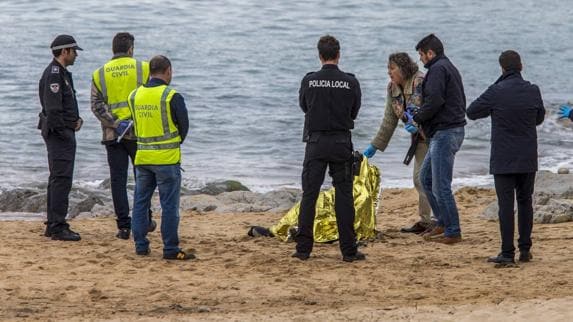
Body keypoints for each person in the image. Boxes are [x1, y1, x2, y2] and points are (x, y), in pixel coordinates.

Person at [467, 50, 545, 265]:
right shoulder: (533, 90)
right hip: (527, 156)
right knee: (525, 201)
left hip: (503, 158)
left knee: (506, 205)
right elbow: (539, 118)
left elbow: (472, 111)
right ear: (521, 66)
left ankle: (507, 253)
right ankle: (525, 250)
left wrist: (497, 88)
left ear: (502, 68)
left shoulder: (496, 91)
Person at [293, 35, 364, 262]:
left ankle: (303, 249)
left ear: (319, 55)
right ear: (338, 54)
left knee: (310, 195)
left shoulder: (310, 80)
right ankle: (349, 251)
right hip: (341, 142)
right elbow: (354, 112)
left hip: (316, 143)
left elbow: (304, 106)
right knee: (344, 196)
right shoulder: (350, 82)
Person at [91, 32, 156, 240]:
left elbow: (96, 106)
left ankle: (124, 226)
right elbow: (152, 97)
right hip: (139, 133)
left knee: (118, 180)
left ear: (113, 49)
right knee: (143, 178)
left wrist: (116, 124)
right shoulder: (143, 68)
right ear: (131, 49)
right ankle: (144, 220)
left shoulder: (99, 74)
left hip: (113, 135)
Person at [127, 55, 192, 260]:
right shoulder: (171, 95)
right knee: (169, 206)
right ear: (168, 71)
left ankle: (140, 245)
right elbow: (184, 127)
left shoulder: (134, 95)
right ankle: (170, 249)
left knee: (140, 203)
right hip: (167, 158)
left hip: (143, 157)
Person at [363, 52, 434, 234]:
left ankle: (432, 221)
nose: (389, 72)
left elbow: (429, 108)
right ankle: (427, 221)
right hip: (418, 140)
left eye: (392, 68)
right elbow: (389, 120)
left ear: (403, 68)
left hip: (434, 137)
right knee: (420, 179)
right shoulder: (392, 89)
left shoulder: (420, 81)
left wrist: (417, 124)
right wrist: (375, 146)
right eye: (388, 68)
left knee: (423, 179)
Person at [412, 34, 466, 244]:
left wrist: (418, 116)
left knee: (440, 184)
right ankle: (442, 222)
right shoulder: (445, 67)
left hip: (446, 132)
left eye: (421, 55)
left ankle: (453, 230)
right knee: (426, 179)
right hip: (444, 132)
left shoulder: (437, 69)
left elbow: (435, 101)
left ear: (430, 53)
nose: (420, 59)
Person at [37, 35, 83, 241]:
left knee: (58, 178)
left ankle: (53, 223)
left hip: (62, 132)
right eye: (74, 51)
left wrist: (76, 119)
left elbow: (64, 104)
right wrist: (65, 131)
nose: (76, 55)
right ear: (64, 51)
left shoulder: (61, 73)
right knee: (61, 179)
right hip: (59, 135)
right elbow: (53, 110)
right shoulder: (54, 74)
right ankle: (57, 225)